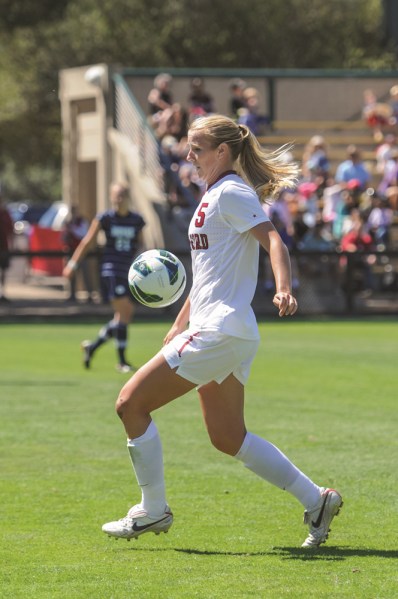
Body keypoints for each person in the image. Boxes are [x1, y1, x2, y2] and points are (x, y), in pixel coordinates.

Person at [101, 115, 343, 549]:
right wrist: (179, 323)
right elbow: (208, 275)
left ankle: (152, 510)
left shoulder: (230, 192)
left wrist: (284, 289)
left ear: (222, 153)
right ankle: (317, 499)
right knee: (228, 436)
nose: (188, 156)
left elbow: (274, 241)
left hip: (221, 330)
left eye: (196, 148)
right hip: (226, 330)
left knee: (129, 404)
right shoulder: (213, 195)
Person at [63, 183, 145, 373]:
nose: (119, 199)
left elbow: (140, 245)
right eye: (116, 196)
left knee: (123, 315)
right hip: (111, 270)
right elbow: (87, 241)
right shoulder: (105, 218)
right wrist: (72, 264)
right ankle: (122, 362)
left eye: (122, 195)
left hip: (129, 271)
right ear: (110, 197)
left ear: (128, 197)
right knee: (125, 313)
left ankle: (92, 347)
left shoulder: (137, 220)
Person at [62, 205, 93, 302]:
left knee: (85, 273)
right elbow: (63, 236)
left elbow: (83, 234)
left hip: (81, 253)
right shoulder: (68, 222)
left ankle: (90, 295)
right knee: (72, 275)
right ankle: (72, 295)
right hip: (71, 252)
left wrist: (72, 229)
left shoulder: (82, 221)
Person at [0, 194, 14, 302]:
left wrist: (12, 245)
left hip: (4, 247)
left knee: (4, 271)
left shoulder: (5, 214)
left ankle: (2, 293)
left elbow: (11, 231)